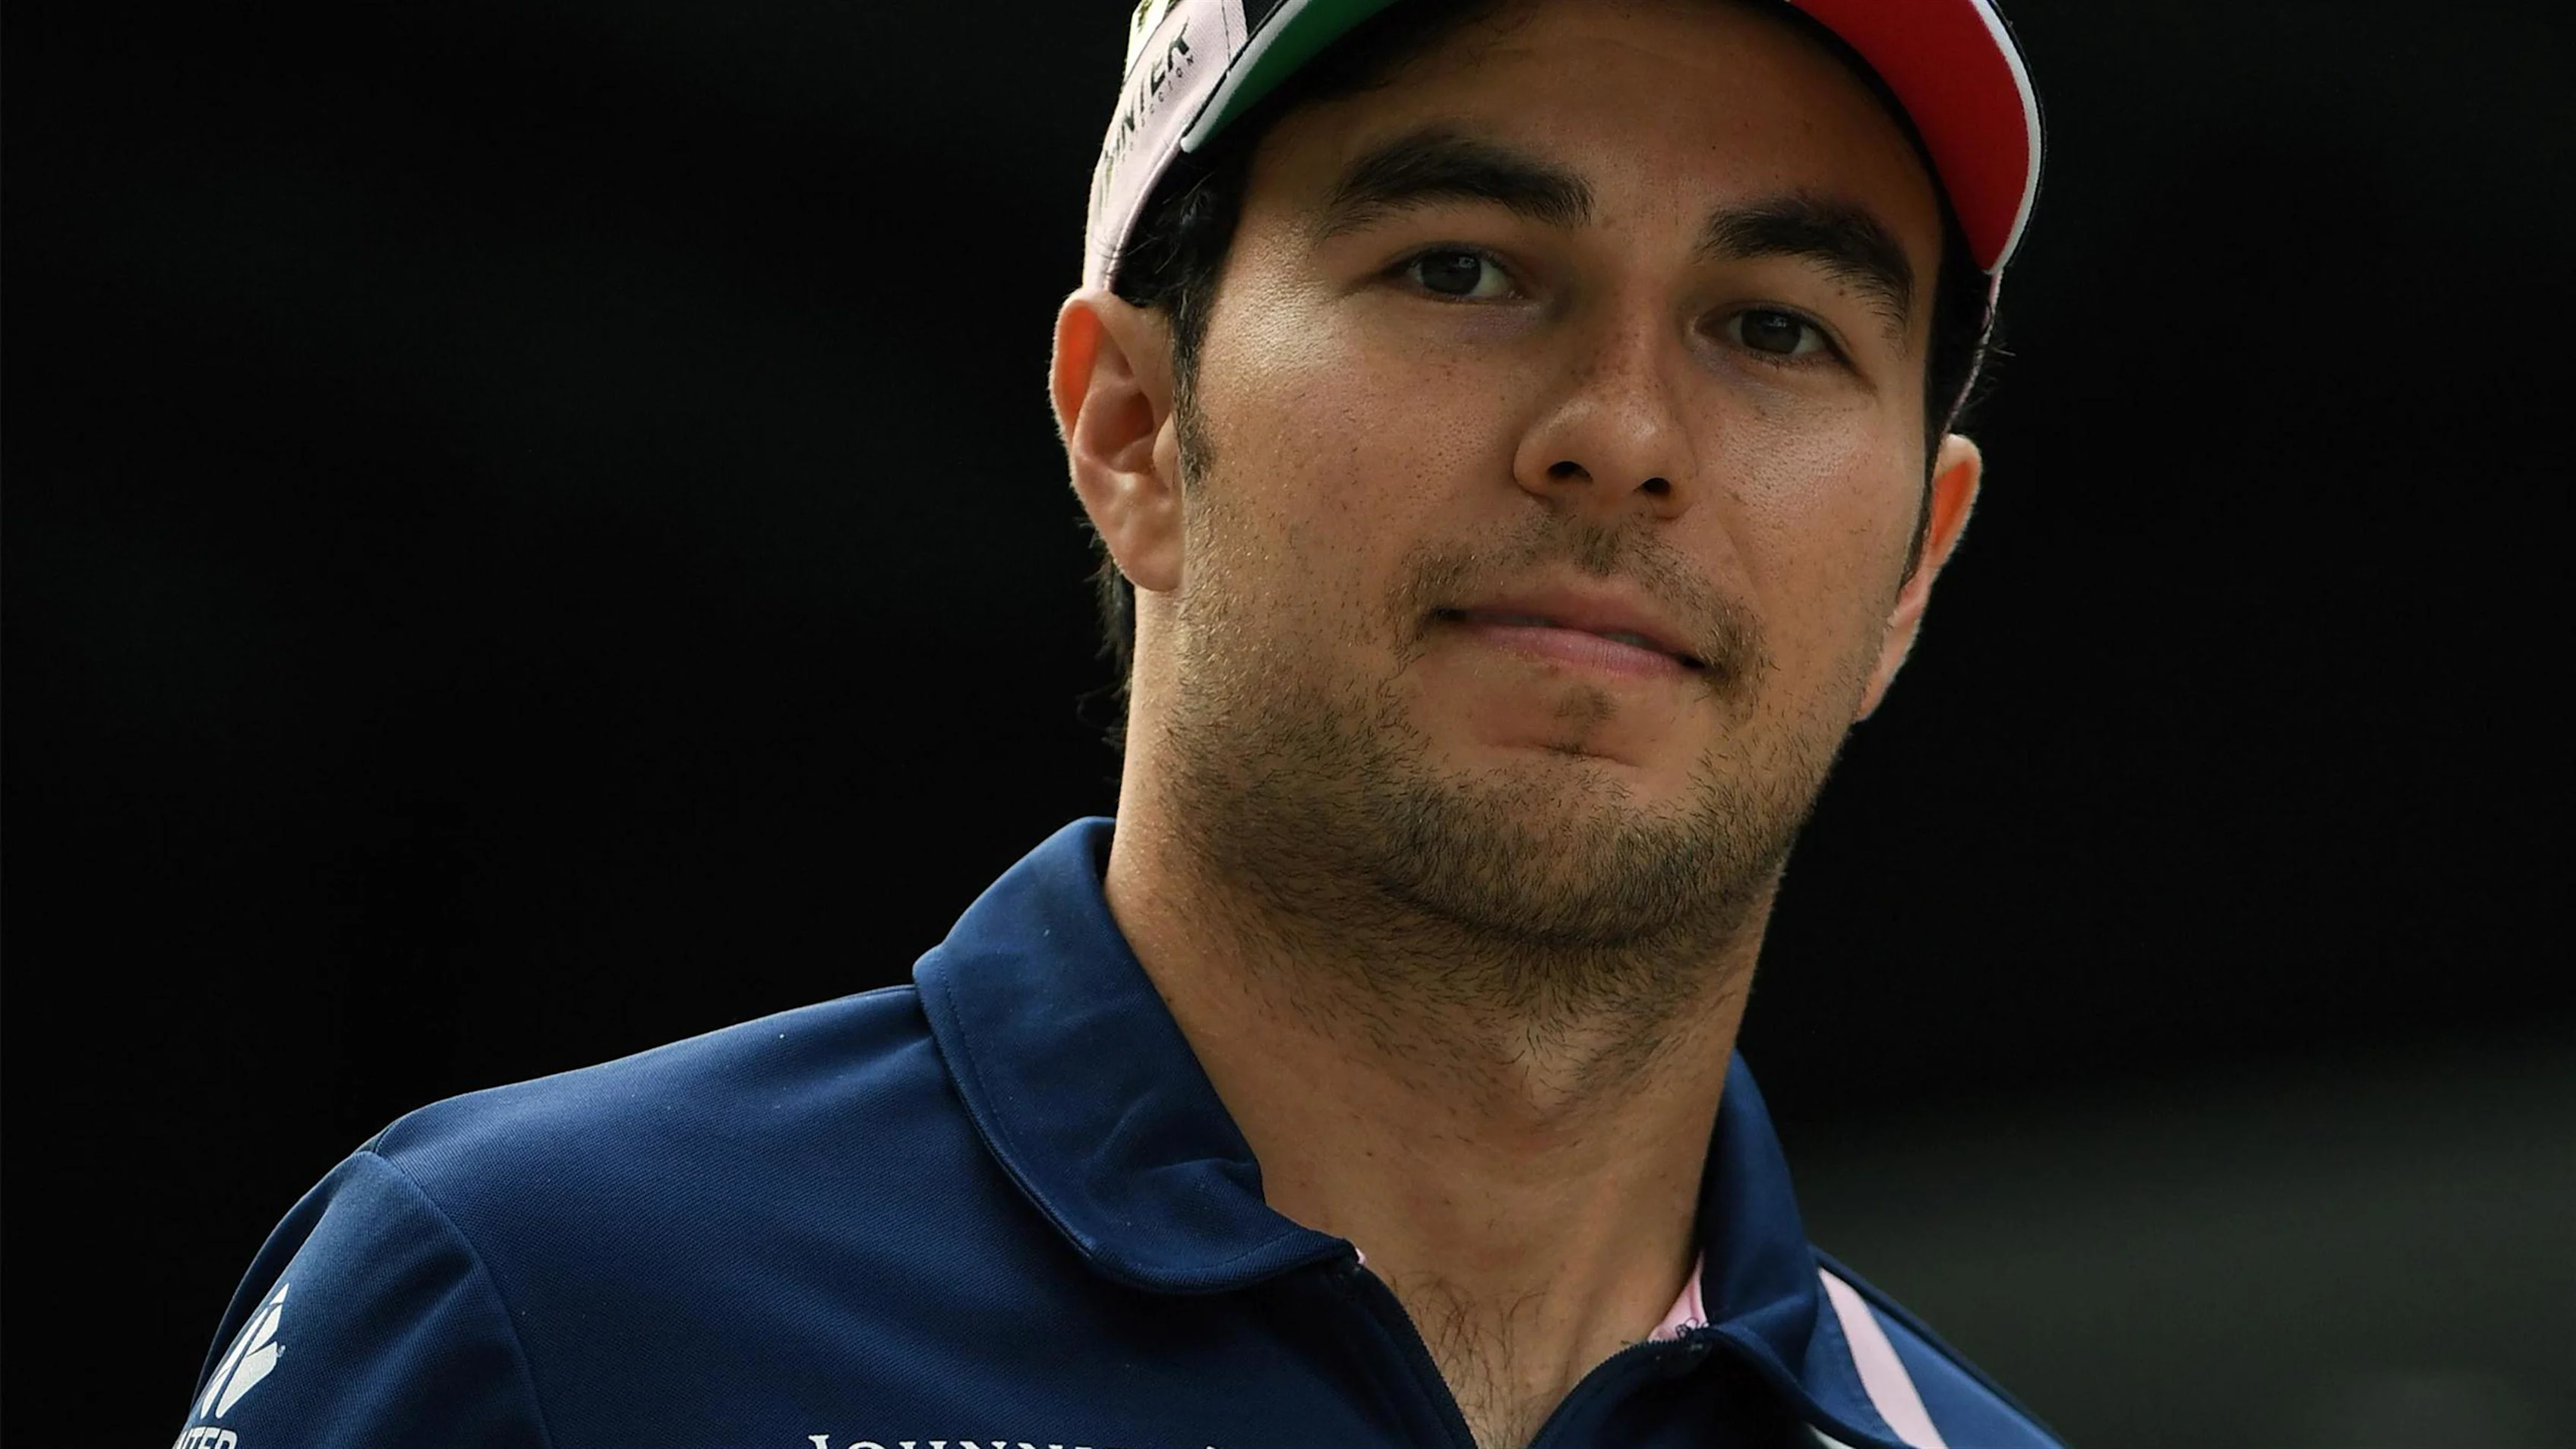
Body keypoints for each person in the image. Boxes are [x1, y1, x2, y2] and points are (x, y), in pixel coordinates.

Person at [173, 1, 2060, 1446]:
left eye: (1777, 326)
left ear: (1916, 560)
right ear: (1131, 430)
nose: (1624, 435)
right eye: (1462, 267)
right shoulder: (552, 1307)